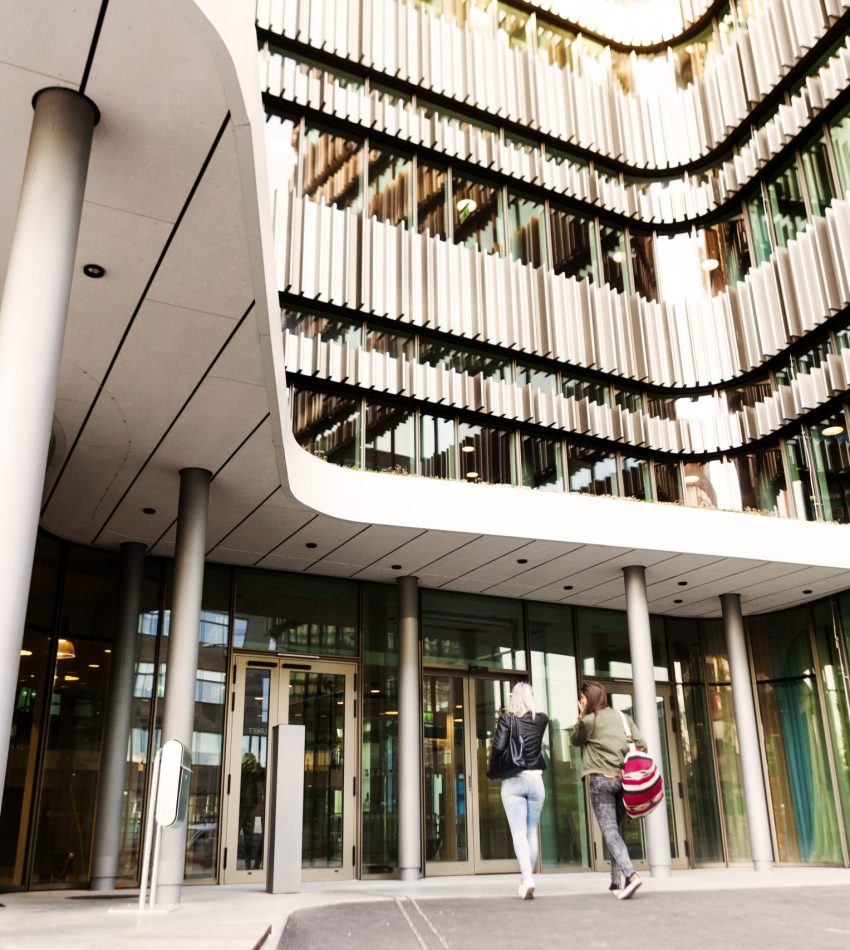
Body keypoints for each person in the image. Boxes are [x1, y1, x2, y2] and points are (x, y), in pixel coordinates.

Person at [571, 680, 646, 900]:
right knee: (615, 831)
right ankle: (615, 881)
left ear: (589, 699)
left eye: (582, 699)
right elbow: (642, 744)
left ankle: (631, 876)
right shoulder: (624, 718)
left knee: (610, 831)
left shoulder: (588, 720)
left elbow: (575, 740)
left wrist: (581, 714)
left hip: (601, 782)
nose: (580, 703)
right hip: (624, 781)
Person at [487, 682, 549, 900]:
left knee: (518, 833)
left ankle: (527, 878)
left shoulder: (507, 718)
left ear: (513, 697)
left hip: (514, 780)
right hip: (536, 781)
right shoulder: (541, 719)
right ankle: (526, 878)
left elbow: (498, 746)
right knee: (531, 831)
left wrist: (493, 768)